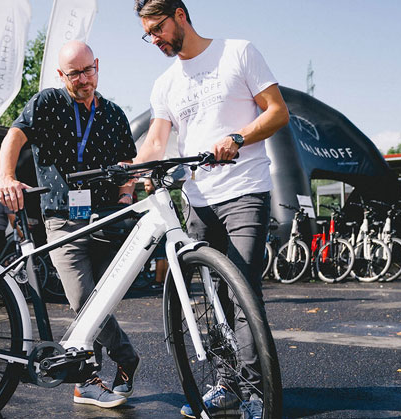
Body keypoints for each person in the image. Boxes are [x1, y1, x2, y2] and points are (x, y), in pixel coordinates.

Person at [132, 1, 289, 417]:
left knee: (242, 293)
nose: (155, 40)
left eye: (158, 29)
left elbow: (278, 112)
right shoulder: (165, 83)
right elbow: (155, 141)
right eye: (148, 34)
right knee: (211, 299)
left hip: (244, 191)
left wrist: (238, 136)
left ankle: (256, 392)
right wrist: (131, 169)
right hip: (199, 201)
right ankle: (227, 385)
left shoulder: (238, 52)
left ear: (180, 15)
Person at [0, 41, 140, 408]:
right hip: (62, 217)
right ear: (61, 75)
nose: (83, 79)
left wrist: (126, 197)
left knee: (101, 302)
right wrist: (6, 176)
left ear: (97, 65)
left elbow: (128, 162)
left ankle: (89, 379)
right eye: (73, 73)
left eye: (88, 70)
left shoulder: (114, 114)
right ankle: (119, 361)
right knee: (83, 300)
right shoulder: (47, 103)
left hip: (108, 217)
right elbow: (14, 135)